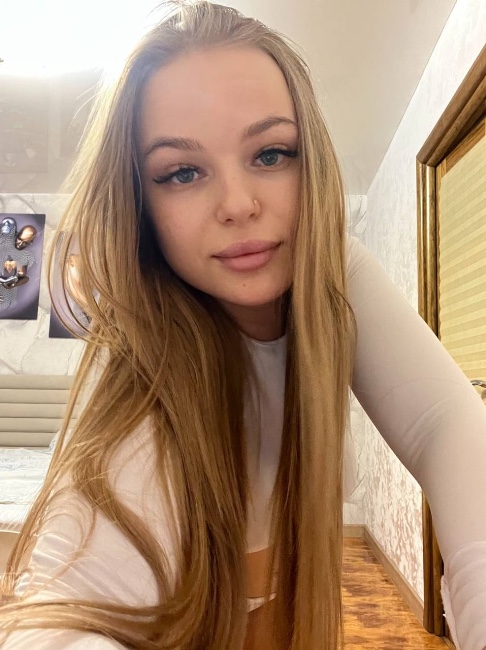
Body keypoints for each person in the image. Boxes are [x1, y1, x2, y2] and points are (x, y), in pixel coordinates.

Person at [1, 2, 485, 649]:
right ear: (141, 204)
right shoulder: (140, 396)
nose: (237, 204)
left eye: (271, 153)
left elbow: (441, 421)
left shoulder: (328, 266)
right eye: (182, 172)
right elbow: (63, 615)